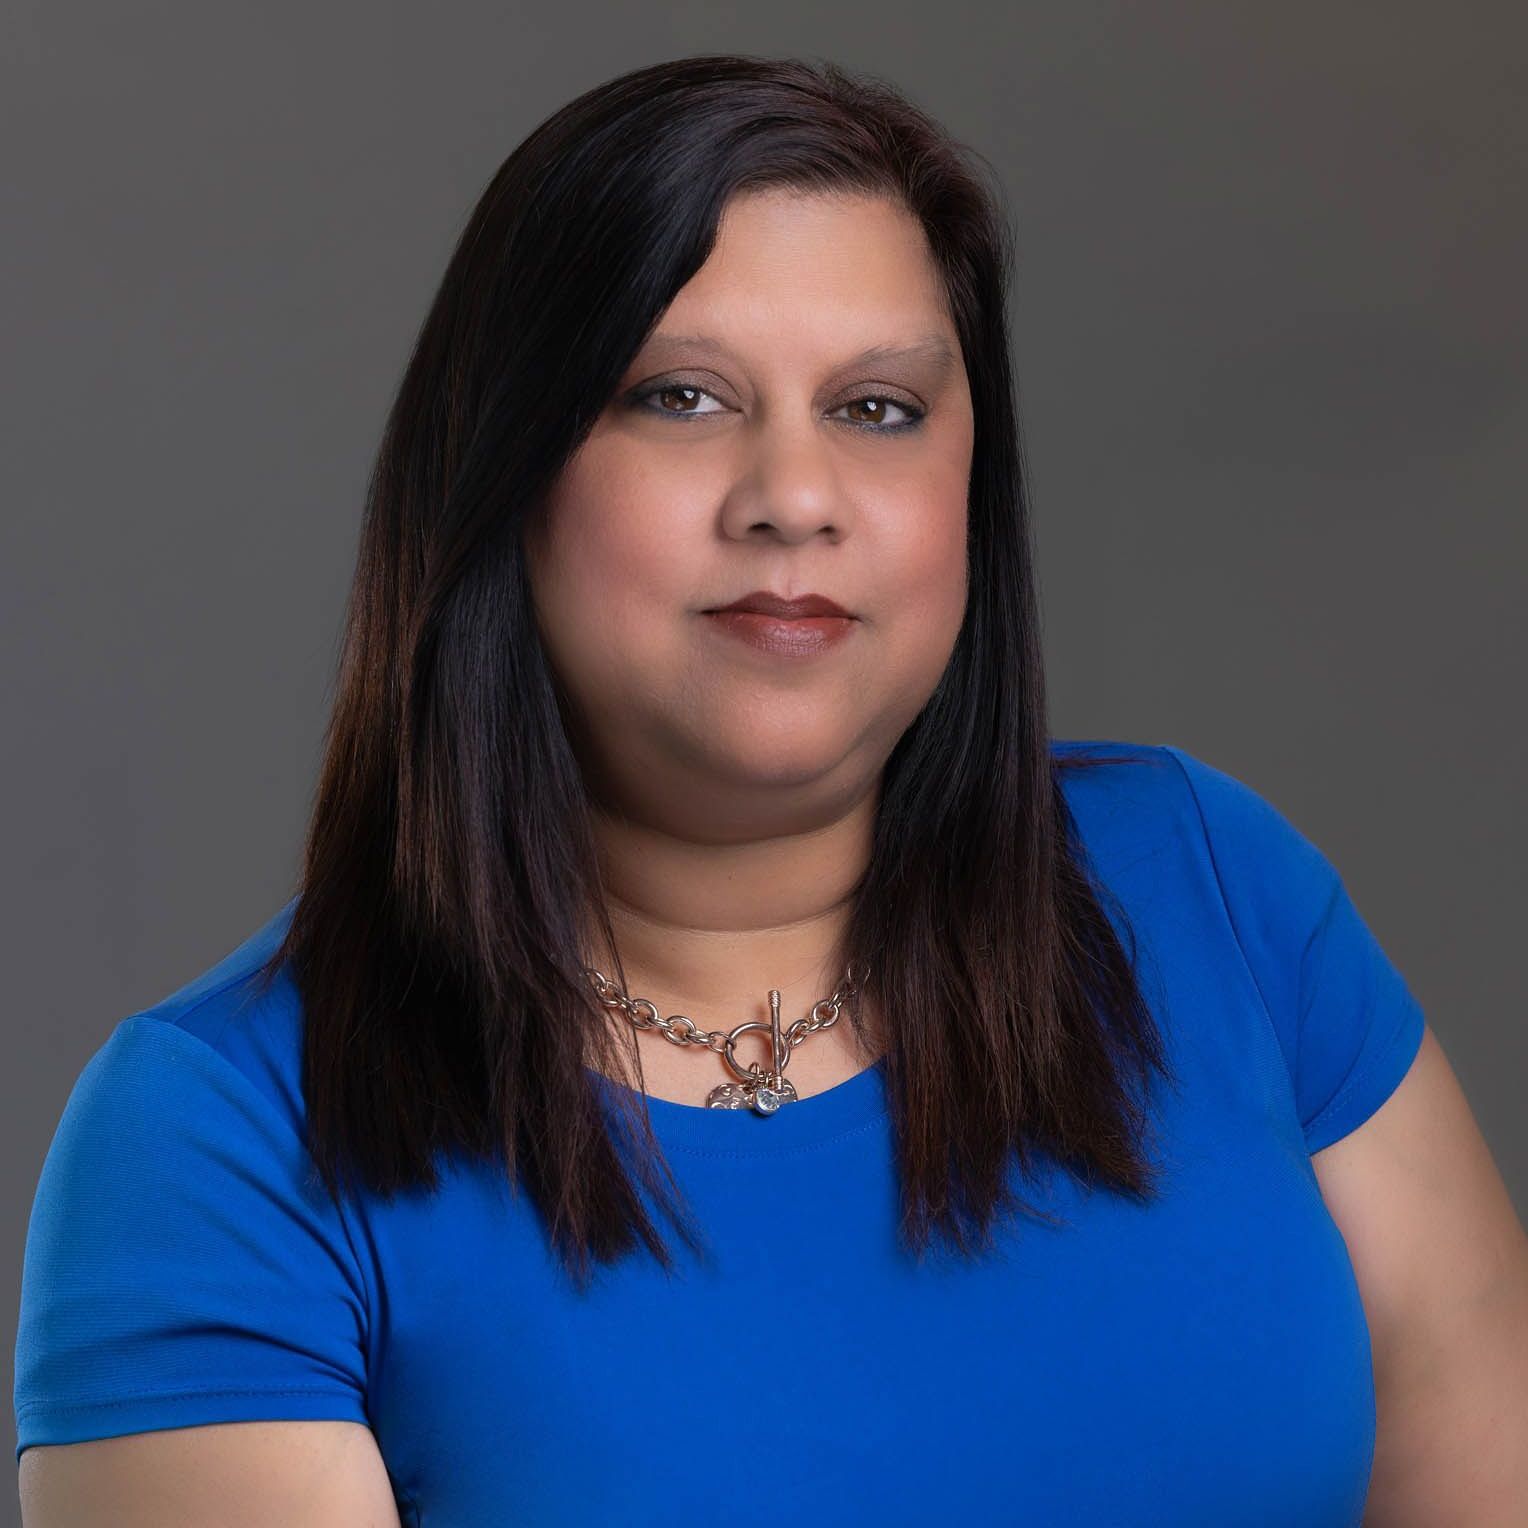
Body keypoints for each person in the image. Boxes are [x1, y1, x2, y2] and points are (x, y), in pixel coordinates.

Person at [15, 53, 1528, 1528]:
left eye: (877, 408)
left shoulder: (1212, 888)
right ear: (505, 470)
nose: (794, 497)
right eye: (679, 397)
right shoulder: (217, 1143)